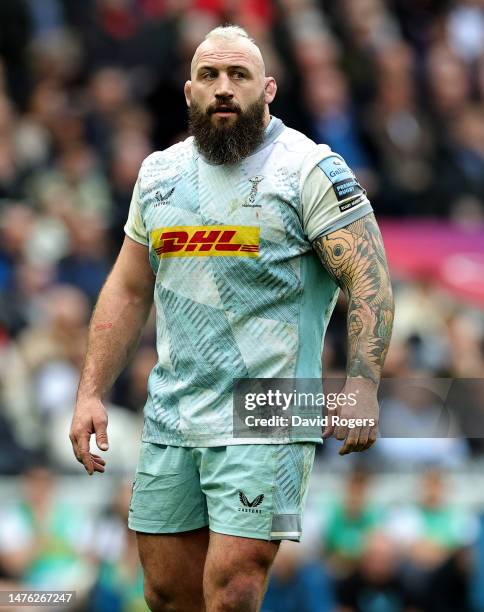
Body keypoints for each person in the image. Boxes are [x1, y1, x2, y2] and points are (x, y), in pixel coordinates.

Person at [70, 25, 394, 612]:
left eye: (239, 76)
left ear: (268, 90)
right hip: (174, 408)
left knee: (235, 586)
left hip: (270, 408)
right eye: (210, 76)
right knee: (167, 593)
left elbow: (369, 278)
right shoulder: (159, 175)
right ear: (189, 91)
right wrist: (91, 391)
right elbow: (126, 287)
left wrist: (363, 383)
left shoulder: (311, 170)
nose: (224, 88)